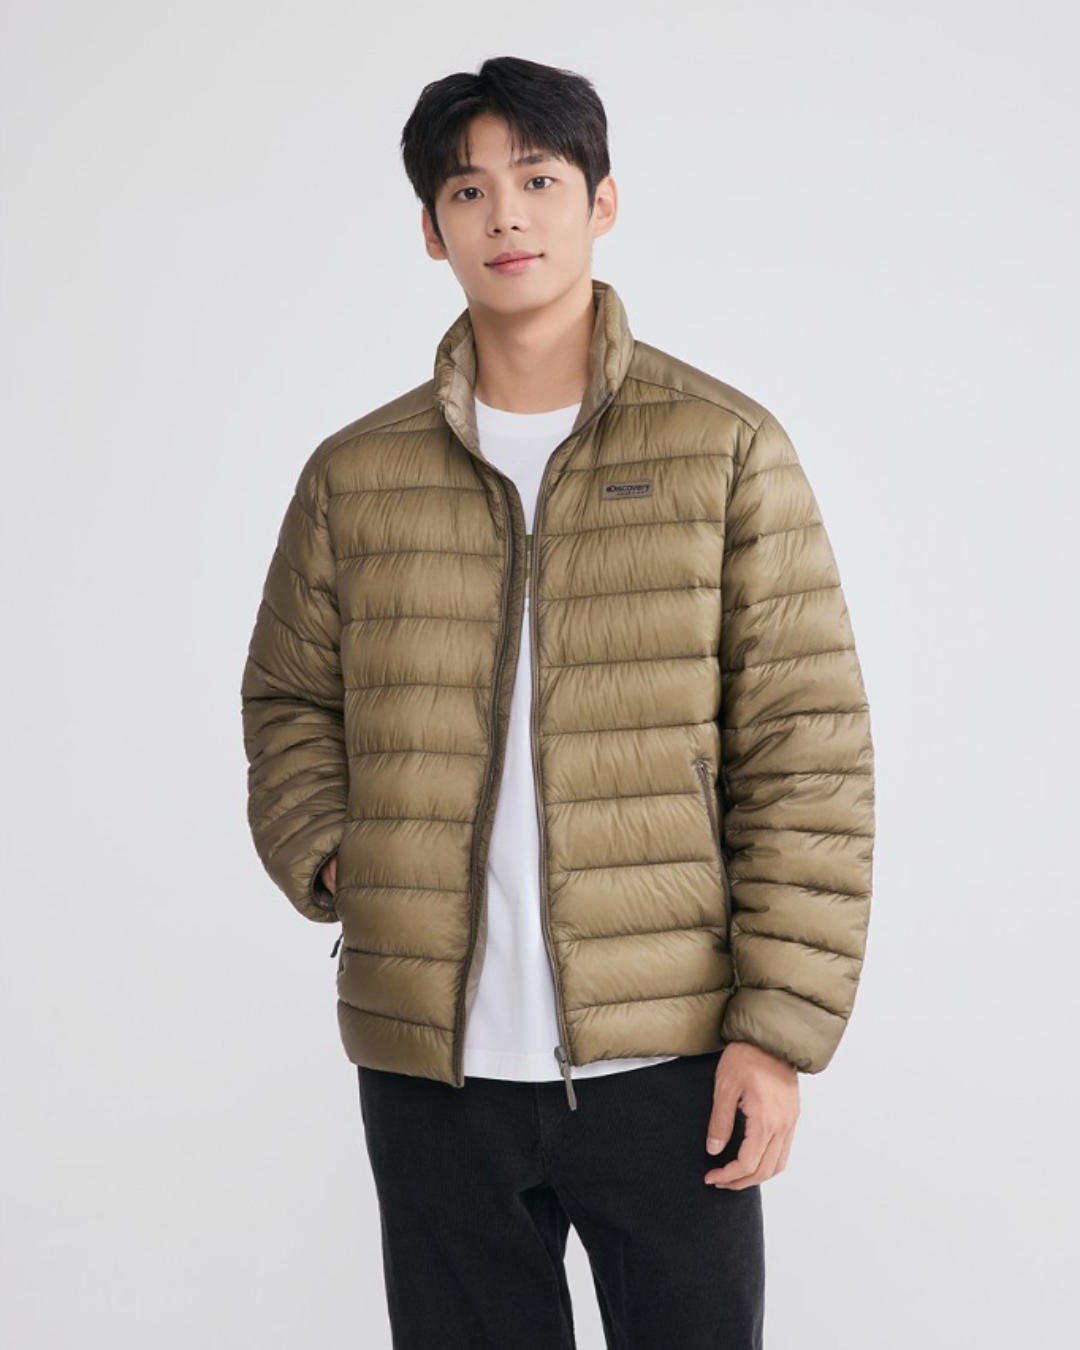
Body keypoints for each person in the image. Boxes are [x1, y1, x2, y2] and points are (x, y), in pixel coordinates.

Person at [240, 54, 875, 1350]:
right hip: (433, 1069)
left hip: (671, 1058)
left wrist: (775, 1033)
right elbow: (289, 698)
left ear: (603, 201)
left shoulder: (723, 448)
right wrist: (341, 855)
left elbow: (806, 753)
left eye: (537, 180)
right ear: (433, 229)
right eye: (468, 191)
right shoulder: (356, 475)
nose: (506, 216)